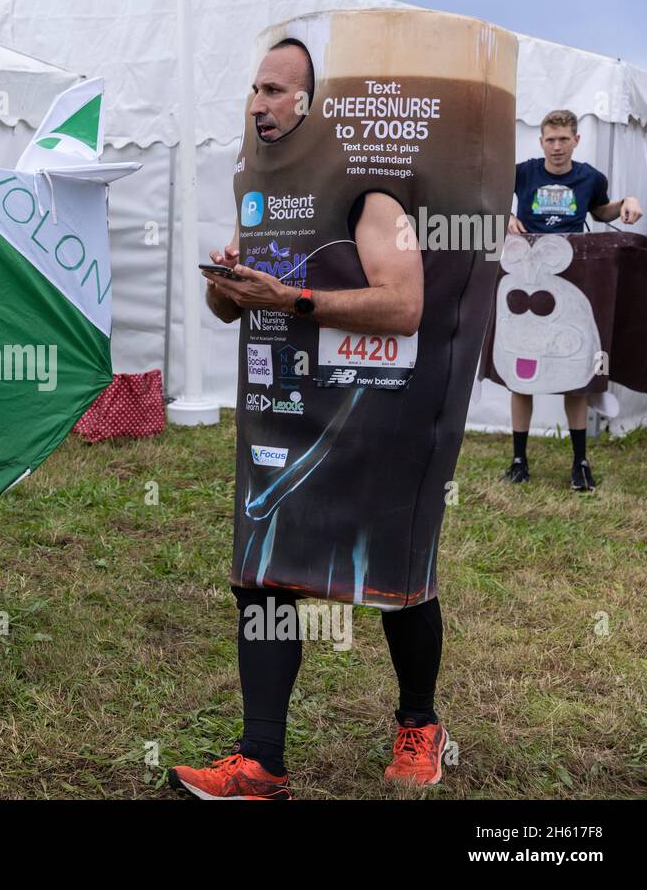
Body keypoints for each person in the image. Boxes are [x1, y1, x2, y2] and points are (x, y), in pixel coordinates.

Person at [169, 39, 448, 799]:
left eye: (275, 90)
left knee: (398, 576)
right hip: (283, 414)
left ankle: (419, 724)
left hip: (373, 414)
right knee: (261, 579)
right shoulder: (254, 187)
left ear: (312, 105)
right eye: (253, 89)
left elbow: (406, 303)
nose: (258, 103)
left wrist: (291, 299)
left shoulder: (368, 190)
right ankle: (262, 758)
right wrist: (231, 285)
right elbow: (227, 310)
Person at [504, 108, 644, 490]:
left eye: (564, 139)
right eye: (550, 139)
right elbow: (486, 194)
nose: (556, 147)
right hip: (528, 278)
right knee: (523, 369)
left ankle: (580, 462)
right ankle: (519, 460)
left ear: (576, 140)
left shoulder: (590, 178)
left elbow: (600, 211)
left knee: (576, 373)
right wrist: (504, 217)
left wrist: (626, 201)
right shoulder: (522, 172)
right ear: (541, 141)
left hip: (576, 280)